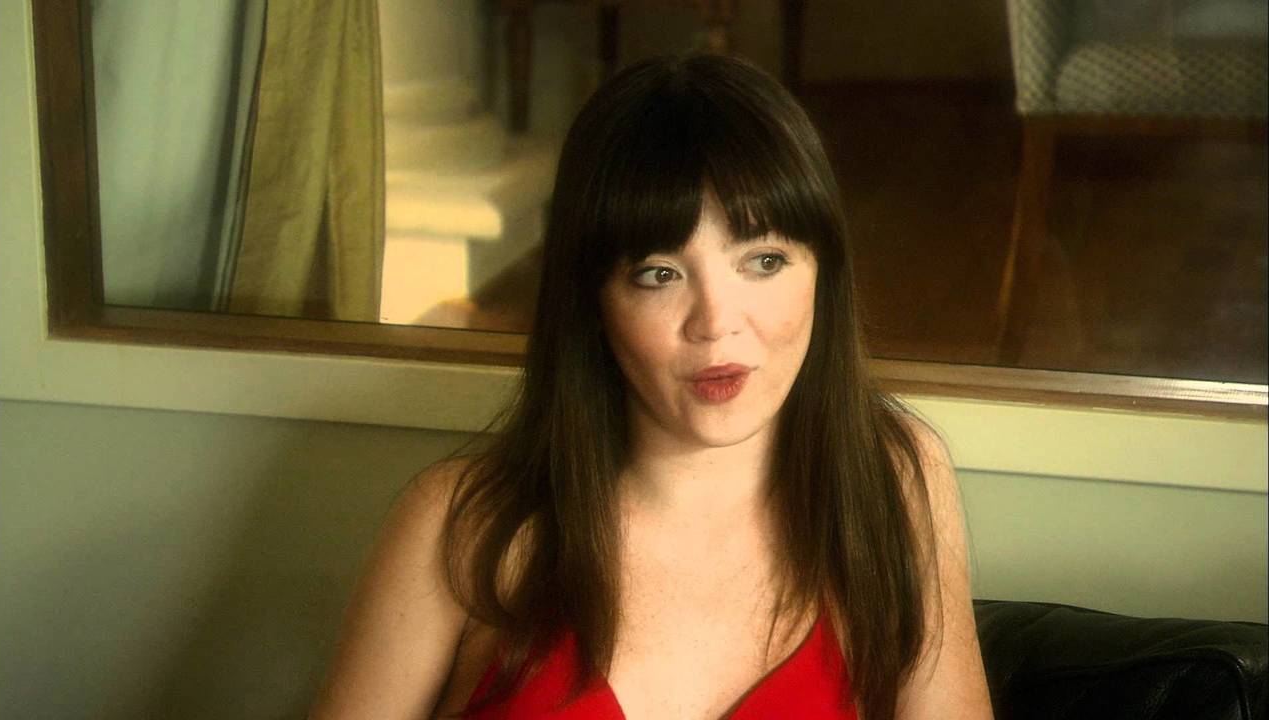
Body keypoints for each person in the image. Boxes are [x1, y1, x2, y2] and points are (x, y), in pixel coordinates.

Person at [310, 54, 993, 720]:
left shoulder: (893, 479)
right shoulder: (462, 525)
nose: (716, 323)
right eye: (660, 274)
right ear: (593, 299)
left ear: (823, 274)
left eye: (763, 261)